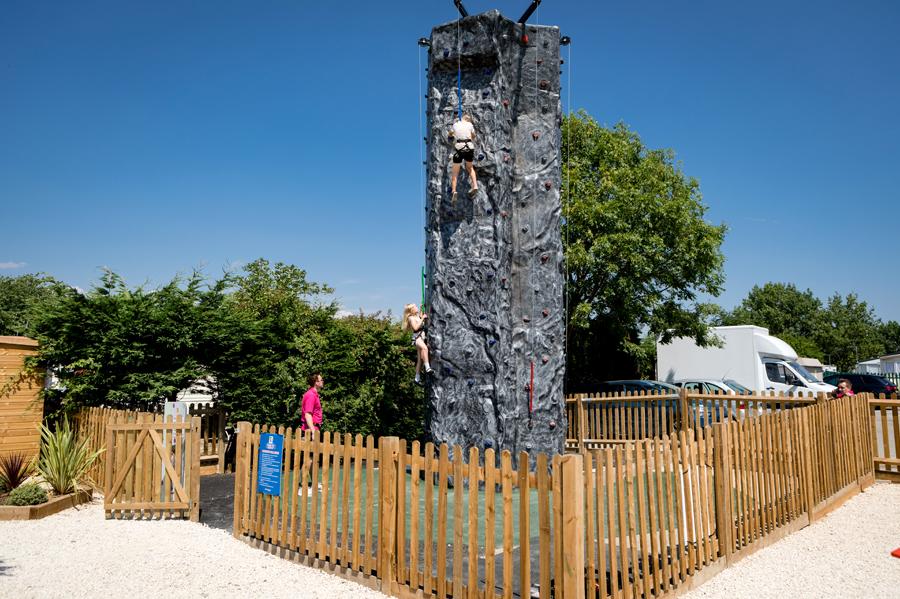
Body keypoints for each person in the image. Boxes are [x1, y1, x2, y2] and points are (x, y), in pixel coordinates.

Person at [448, 113, 479, 201]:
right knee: (469, 167)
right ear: (468, 120)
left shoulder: (455, 125)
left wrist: (451, 135)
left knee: (455, 172)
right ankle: (475, 185)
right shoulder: (470, 125)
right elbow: (474, 135)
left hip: (459, 148)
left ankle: (454, 191)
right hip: (469, 147)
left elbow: (450, 133)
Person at [402, 303, 433, 385]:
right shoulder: (411, 318)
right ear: (411, 310)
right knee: (425, 348)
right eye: (414, 307)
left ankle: (417, 378)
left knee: (420, 360)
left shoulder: (416, 316)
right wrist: (422, 318)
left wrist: (421, 309)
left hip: (421, 337)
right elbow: (416, 327)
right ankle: (427, 368)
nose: (416, 307)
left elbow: (420, 317)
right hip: (417, 338)